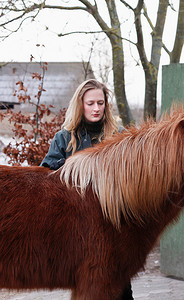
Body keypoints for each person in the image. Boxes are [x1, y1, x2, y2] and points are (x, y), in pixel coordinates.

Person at [40, 79, 133, 300]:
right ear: (80, 104)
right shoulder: (64, 138)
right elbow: (46, 179)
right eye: (90, 103)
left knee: (121, 289)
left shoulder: (119, 136)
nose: (96, 108)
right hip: (79, 228)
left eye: (100, 103)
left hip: (114, 225)